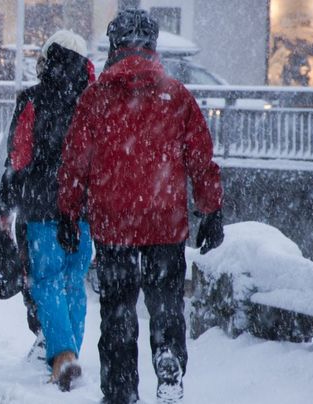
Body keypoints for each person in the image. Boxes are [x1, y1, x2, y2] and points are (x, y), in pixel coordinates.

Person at [57, 9, 225, 404]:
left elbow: (75, 162)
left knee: (118, 310)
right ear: (153, 45)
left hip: (114, 221)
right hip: (165, 220)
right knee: (166, 303)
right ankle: (168, 356)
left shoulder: (95, 97)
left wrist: (68, 212)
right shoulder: (176, 96)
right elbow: (201, 160)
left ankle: (120, 391)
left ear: (114, 45)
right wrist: (211, 210)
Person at [0, 30, 96, 391]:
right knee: (74, 282)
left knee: (47, 282)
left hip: (41, 207)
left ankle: (63, 356)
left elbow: (18, 156)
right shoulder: (94, 100)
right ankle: (70, 354)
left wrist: (6, 204)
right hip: (82, 207)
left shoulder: (33, 99)